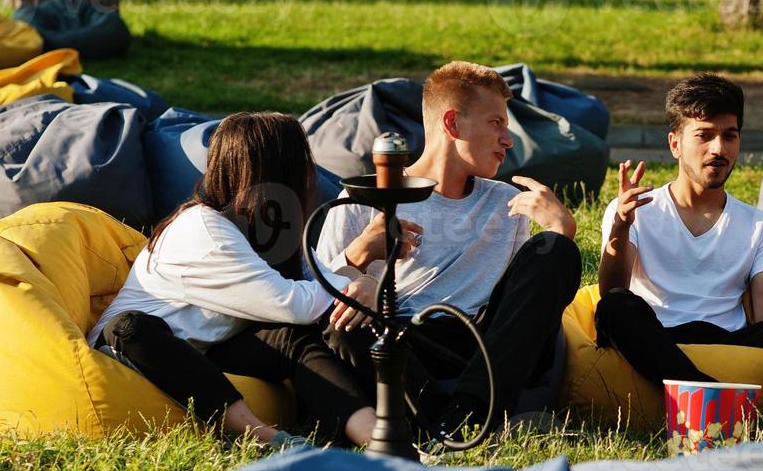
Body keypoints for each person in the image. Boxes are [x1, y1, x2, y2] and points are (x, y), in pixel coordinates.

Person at [316, 61, 581, 435]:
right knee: (343, 325)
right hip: (404, 342)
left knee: (557, 251)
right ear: (452, 124)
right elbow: (316, 299)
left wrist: (559, 230)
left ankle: (467, 414)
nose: (508, 139)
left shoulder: (508, 205)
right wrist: (359, 257)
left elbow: (521, 315)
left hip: (479, 348)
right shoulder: (367, 196)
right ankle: (446, 420)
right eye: (496, 123)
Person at [88, 113, 381, 448]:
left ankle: (378, 439)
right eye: (302, 163)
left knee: (291, 338)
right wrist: (349, 288)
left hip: (208, 348)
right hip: (139, 351)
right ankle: (267, 439)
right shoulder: (202, 230)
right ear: (276, 173)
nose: (310, 175)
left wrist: (363, 283)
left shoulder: (267, 228)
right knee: (132, 327)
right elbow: (294, 302)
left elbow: (318, 282)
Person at [594, 73, 763, 430]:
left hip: (729, 335)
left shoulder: (758, 224)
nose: (719, 149)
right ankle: (717, 401)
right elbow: (611, 289)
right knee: (614, 307)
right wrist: (621, 228)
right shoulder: (636, 209)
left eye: (729, 136)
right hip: (656, 332)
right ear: (675, 144)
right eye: (704, 135)